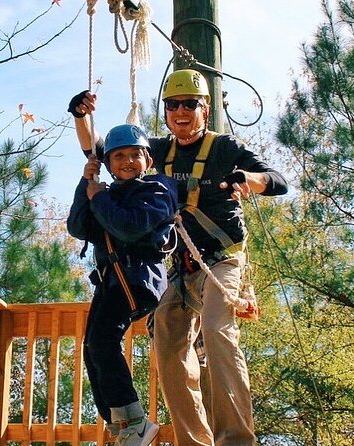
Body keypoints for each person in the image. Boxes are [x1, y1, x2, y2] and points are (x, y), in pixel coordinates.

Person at [68, 69, 288, 446]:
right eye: (173, 105)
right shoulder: (157, 152)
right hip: (181, 265)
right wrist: (81, 116)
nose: (181, 111)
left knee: (219, 333)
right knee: (168, 345)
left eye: (190, 104)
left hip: (222, 259)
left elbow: (277, 180)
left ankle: (235, 439)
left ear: (205, 109)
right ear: (167, 111)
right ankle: (192, 441)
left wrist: (249, 181)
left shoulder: (224, 149)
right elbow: (99, 150)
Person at [66, 123, 177, 446]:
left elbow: (129, 228)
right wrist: (86, 182)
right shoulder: (109, 194)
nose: (127, 162)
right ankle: (121, 422)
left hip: (138, 278)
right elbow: (78, 226)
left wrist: (99, 197)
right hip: (114, 281)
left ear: (149, 160)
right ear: (109, 165)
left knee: (103, 342)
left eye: (135, 155)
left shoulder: (158, 189)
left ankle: (134, 421)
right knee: (93, 348)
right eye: (118, 157)